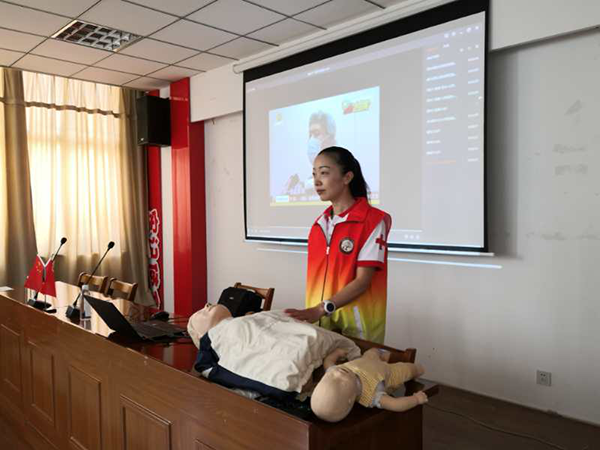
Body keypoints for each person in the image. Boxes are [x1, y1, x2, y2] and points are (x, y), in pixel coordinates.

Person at [285, 146, 392, 344]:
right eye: (314, 174)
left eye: (324, 173)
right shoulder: (319, 225)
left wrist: (320, 309)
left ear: (347, 177)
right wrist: (315, 312)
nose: (317, 181)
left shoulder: (373, 221)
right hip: (320, 325)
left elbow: (363, 281)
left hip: (359, 328)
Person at [310, 347, 427, 423]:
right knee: (408, 369)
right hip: (389, 373)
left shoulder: (334, 371)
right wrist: (416, 399)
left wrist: (336, 353)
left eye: (329, 378)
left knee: (372, 351)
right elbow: (396, 404)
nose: (338, 373)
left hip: (367, 360)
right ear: (351, 399)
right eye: (342, 383)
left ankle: (384, 356)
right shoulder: (371, 395)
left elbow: (328, 362)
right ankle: (419, 369)